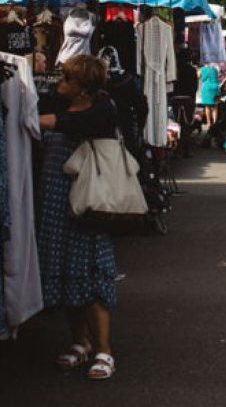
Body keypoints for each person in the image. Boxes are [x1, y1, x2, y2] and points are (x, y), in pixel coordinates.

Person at [37, 55, 120, 380]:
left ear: (82, 87)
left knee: (89, 271)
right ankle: (80, 342)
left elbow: (76, 125)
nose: (59, 83)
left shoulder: (101, 109)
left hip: (88, 201)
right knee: (66, 271)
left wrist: (35, 119)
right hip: (56, 202)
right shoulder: (58, 103)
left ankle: (104, 349)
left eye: (66, 79)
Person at [97, 45, 148, 157]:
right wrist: (140, 127)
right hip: (125, 129)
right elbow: (141, 106)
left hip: (100, 135)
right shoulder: (128, 80)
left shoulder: (96, 81)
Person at [172, 48, 199, 157]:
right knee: (186, 126)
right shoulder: (192, 70)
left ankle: (176, 150)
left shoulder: (174, 69)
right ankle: (186, 150)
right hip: (188, 99)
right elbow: (195, 87)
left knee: (175, 125)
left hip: (175, 99)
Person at [199, 63, 220, 130]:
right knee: (215, 107)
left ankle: (209, 122)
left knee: (207, 106)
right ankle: (215, 122)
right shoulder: (215, 69)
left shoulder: (203, 69)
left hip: (206, 88)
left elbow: (198, 76)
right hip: (215, 88)